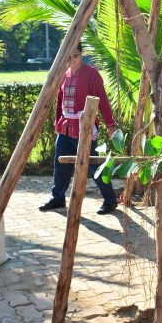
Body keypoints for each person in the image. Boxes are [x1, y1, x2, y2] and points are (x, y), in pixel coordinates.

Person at [39, 43, 118, 215]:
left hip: (85, 127)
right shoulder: (63, 74)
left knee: (93, 164)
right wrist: (57, 121)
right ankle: (58, 197)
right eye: (68, 56)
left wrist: (110, 125)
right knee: (60, 162)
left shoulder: (92, 74)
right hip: (65, 127)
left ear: (81, 54)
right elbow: (60, 101)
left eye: (74, 55)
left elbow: (102, 99)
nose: (71, 59)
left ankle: (111, 199)